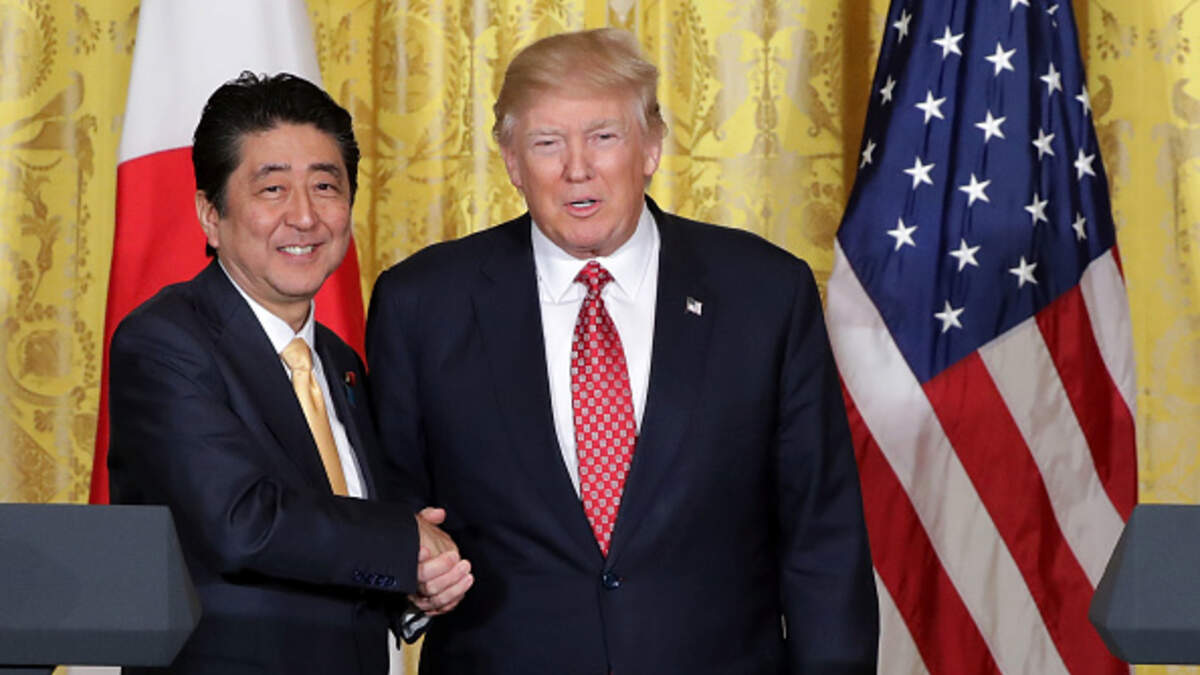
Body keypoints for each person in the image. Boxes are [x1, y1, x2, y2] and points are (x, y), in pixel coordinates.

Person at [366, 29, 878, 674]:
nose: (577, 168)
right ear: (512, 163)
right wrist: (410, 577)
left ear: (652, 146)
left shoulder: (765, 292)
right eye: (547, 143)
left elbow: (822, 537)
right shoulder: (421, 303)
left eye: (603, 136)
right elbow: (391, 512)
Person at [107, 72, 471, 674]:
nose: (304, 216)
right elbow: (240, 522)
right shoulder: (165, 342)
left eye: (325, 186)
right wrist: (403, 541)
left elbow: (341, 547)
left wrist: (419, 584)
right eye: (272, 189)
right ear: (210, 215)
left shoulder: (341, 363)